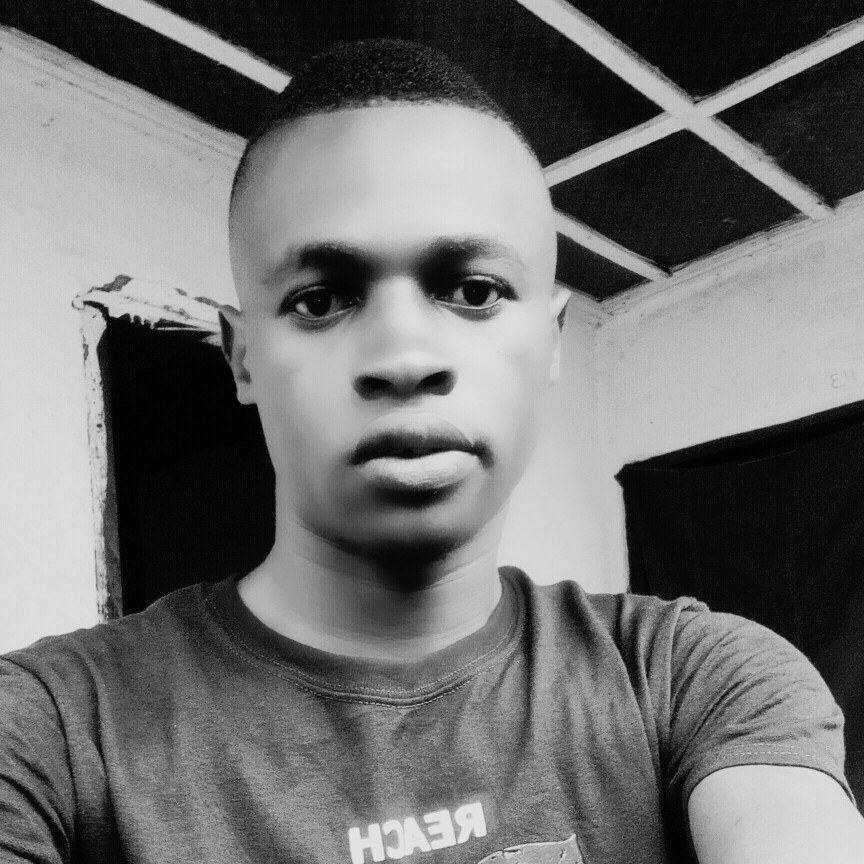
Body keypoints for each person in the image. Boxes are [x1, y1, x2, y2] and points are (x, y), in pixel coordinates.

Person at [1, 38, 862, 864]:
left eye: (474, 291)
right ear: (243, 357)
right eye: (320, 300)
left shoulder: (697, 677)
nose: (404, 357)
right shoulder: (46, 733)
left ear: (550, 342)